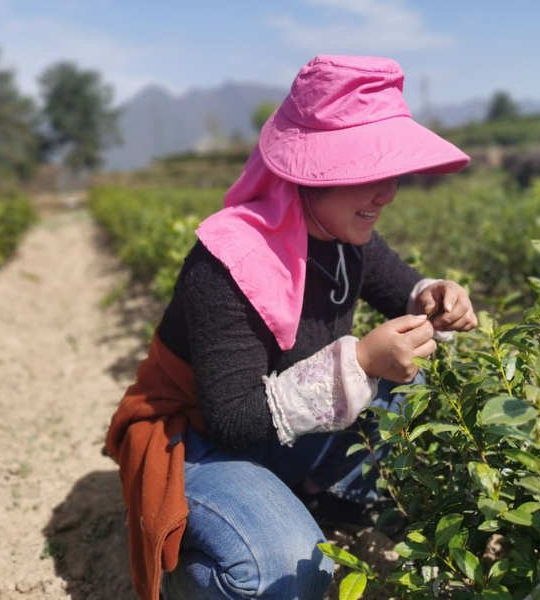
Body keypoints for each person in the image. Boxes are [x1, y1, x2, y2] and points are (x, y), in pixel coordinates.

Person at [104, 55, 478, 600]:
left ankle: (306, 494)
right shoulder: (227, 263)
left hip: (279, 438)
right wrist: (360, 363)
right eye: (368, 175)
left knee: (413, 384)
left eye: (390, 173)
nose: (387, 193)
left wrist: (437, 297)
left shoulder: (347, 240)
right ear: (310, 174)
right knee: (289, 571)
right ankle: (189, 570)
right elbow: (230, 418)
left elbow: (406, 287)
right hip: (200, 443)